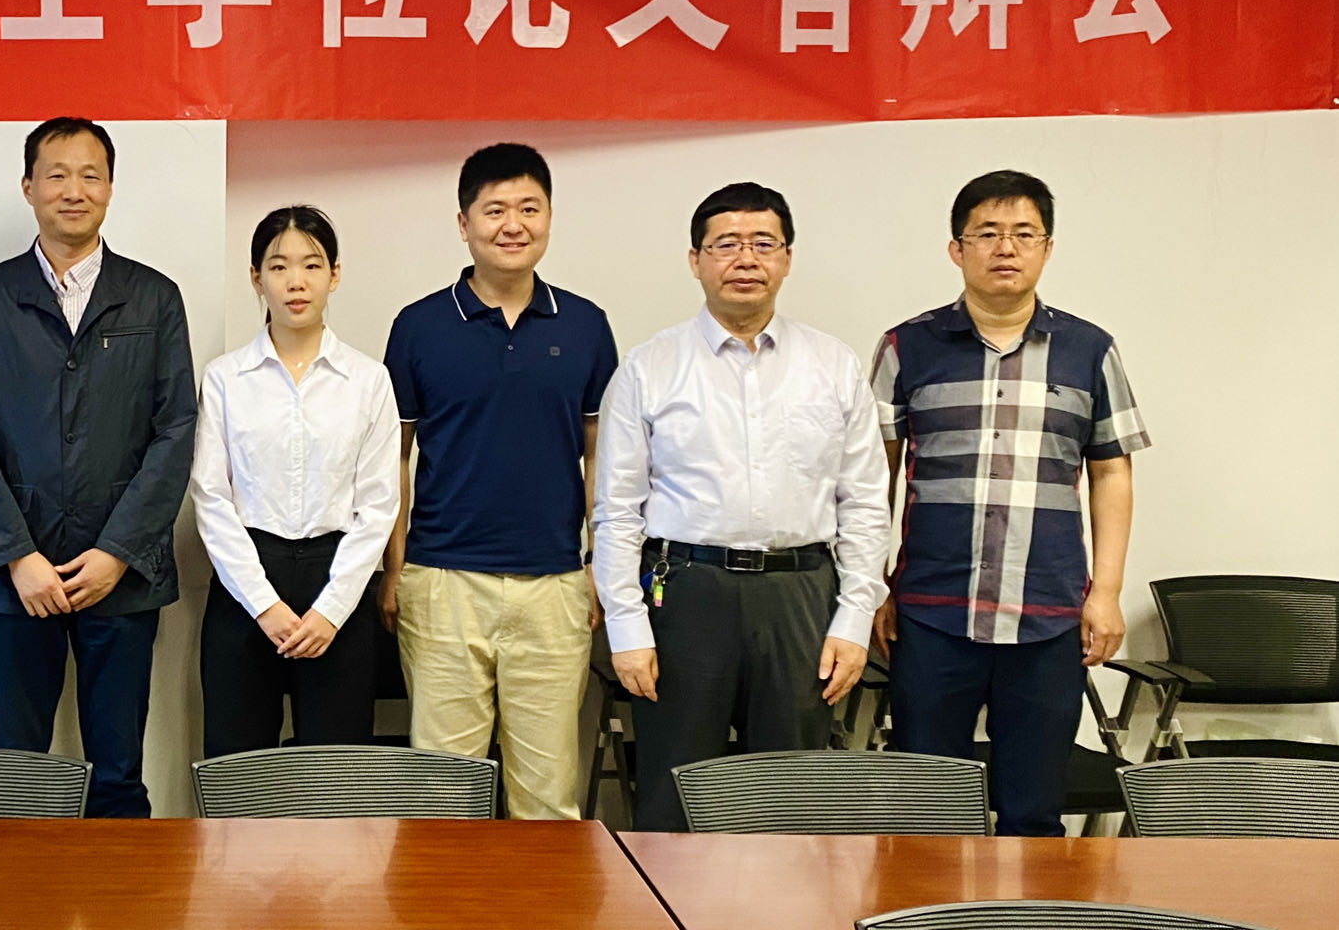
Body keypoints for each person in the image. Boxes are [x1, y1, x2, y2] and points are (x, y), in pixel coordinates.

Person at [592, 182, 889, 832]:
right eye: (726, 244)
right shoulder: (649, 367)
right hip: (684, 592)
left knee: (788, 798)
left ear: (786, 258)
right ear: (695, 260)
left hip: (800, 595)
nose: (745, 259)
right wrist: (626, 626)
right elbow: (616, 510)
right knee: (674, 794)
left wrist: (853, 618)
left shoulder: (832, 366)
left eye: (762, 244)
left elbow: (866, 503)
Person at [872, 170, 1148, 836]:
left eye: (1023, 234)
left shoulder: (1089, 350)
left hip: (1047, 614)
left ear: (1046, 249)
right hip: (931, 612)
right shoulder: (906, 347)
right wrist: (871, 586)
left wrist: (1106, 592)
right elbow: (872, 475)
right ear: (956, 248)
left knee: (1033, 811)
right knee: (926, 808)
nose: (1005, 248)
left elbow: (1111, 471)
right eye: (987, 233)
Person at [0, 117, 197, 817]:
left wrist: (118, 552)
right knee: (19, 773)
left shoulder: (153, 297)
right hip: (16, 576)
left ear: (110, 187)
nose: (73, 190)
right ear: (28, 187)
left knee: (118, 772)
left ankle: (118, 887)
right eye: (56, 174)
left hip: (121, 575)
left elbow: (175, 429)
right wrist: (14, 555)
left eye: (90, 175)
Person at [379, 143, 618, 820]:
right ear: (464, 224)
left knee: (545, 800)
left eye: (528, 209)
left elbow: (602, 457)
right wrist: (395, 570)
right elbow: (393, 459)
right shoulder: (419, 326)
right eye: (494, 210)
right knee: (442, 798)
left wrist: (598, 563)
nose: (512, 225)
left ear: (548, 218)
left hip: (553, 585)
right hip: (442, 581)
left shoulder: (585, 325)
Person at [189, 206, 399, 756]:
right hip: (245, 582)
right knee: (236, 768)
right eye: (278, 266)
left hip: (339, 582)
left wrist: (331, 611)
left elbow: (379, 505)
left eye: (312, 264)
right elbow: (211, 497)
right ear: (256, 278)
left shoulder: (368, 380)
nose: (296, 281)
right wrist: (264, 604)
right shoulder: (226, 378)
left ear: (334, 274)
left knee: (333, 773)